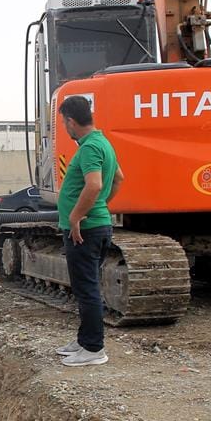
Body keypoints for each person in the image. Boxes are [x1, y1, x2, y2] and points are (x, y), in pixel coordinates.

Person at [55, 95, 122, 367]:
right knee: (86, 286)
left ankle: (94, 349)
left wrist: (77, 215)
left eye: (63, 122)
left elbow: (93, 185)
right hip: (96, 224)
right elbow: (118, 178)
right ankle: (84, 341)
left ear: (71, 121)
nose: (64, 127)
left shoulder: (90, 148)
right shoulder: (102, 143)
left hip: (85, 230)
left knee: (87, 289)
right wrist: (100, 207)